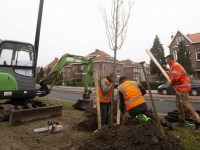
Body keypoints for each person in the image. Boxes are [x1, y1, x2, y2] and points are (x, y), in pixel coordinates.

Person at [165, 54, 200, 133]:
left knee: (185, 104)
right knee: (178, 104)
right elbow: (171, 74)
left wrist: (170, 84)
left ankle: (198, 123)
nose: (167, 62)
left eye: (167, 60)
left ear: (171, 59)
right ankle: (181, 121)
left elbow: (175, 79)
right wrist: (165, 72)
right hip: (178, 89)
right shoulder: (172, 67)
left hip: (183, 88)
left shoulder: (175, 65)